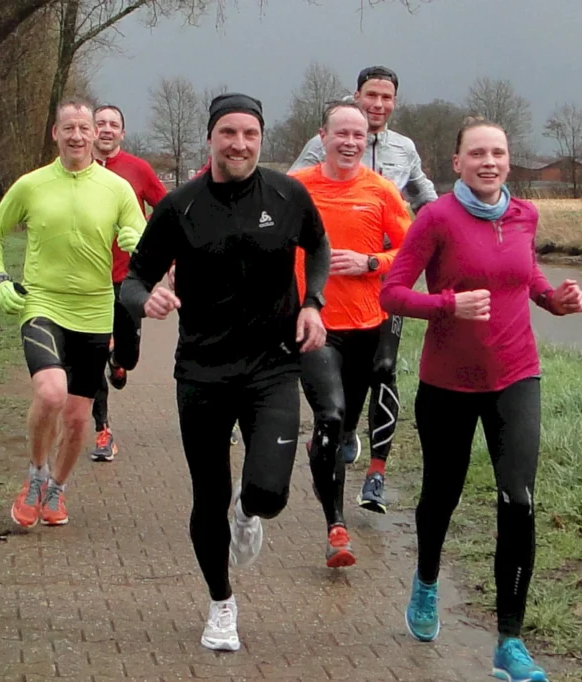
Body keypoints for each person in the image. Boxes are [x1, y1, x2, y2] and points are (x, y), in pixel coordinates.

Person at [121, 93, 329, 652]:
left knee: (270, 493)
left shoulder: (287, 195)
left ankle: (249, 509)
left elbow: (319, 245)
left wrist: (313, 303)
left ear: (261, 139)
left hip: (272, 365)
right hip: (203, 370)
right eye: (228, 133)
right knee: (208, 493)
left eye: (249, 134)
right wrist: (146, 300)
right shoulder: (180, 206)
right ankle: (221, 603)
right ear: (211, 138)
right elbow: (134, 278)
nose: (239, 144)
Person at [379, 117, 582, 682]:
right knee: (441, 495)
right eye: (477, 153)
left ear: (508, 161)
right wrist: (449, 304)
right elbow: (392, 293)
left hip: (516, 376)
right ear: (457, 163)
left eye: (497, 153)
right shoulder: (437, 218)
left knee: (518, 501)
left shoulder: (525, 215)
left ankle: (509, 642)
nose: (488, 162)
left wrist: (553, 299)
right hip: (447, 384)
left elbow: (526, 274)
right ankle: (426, 581)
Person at [0, 97, 146, 529]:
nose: (76, 135)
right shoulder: (31, 185)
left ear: (95, 135)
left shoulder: (116, 189)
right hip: (42, 304)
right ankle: (36, 475)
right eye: (68, 127)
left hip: (94, 311)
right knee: (51, 393)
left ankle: (57, 488)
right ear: (55, 134)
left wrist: (137, 242)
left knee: (75, 418)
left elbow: (145, 239)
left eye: (83, 128)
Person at [291, 65, 437, 514]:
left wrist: (446, 229)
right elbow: (289, 199)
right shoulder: (322, 145)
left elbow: (426, 201)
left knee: (385, 368)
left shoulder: (403, 150)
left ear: (394, 103)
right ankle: (339, 434)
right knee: (336, 400)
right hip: (328, 292)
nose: (378, 104)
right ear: (357, 97)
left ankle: (376, 474)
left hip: (384, 280)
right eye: (371, 95)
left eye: (386, 97)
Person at [290, 101, 410, 565]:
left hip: (366, 325)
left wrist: (370, 262)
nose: (350, 142)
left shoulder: (380, 191)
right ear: (322, 137)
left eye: (359, 136)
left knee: (343, 431)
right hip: (315, 325)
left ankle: (330, 452)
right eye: (341, 133)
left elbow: (411, 252)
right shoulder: (297, 188)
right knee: (331, 415)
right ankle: (336, 527)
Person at [89, 104, 168, 462]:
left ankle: (118, 358)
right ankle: (102, 430)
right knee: (90, 357)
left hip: (127, 280)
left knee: (129, 357)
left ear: (122, 132)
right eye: (100, 123)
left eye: (113, 124)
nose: (106, 129)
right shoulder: (78, 171)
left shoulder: (138, 169)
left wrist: (158, 251)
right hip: (87, 283)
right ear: (91, 130)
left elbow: (167, 212)